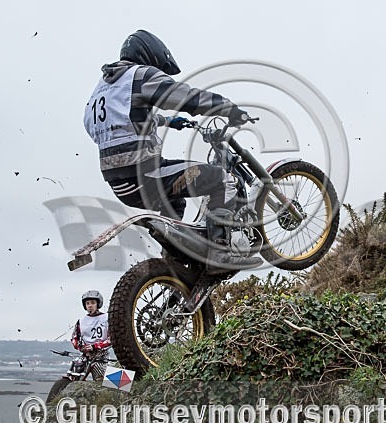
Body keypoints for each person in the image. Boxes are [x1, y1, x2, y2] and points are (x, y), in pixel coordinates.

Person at [83, 29, 262, 274]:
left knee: (175, 200)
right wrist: (227, 107)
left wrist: (167, 121)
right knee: (223, 179)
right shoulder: (141, 75)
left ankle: (175, 260)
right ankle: (221, 251)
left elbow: (123, 121)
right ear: (149, 55)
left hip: (121, 186)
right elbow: (186, 98)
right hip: (146, 176)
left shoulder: (102, 90)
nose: (159, 74)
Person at [70, 290, 112, 381]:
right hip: (86, 355)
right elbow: (74, 338)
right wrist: (80, 346)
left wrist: (95, 346)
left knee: (101, 380)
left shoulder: (107, 318)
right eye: (87, 303)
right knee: (75, 373)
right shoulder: (81, 321)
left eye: (93, 303)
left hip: (101, 355)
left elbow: (111, 339)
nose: (90, 305)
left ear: (98, 304)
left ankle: (130, 387)